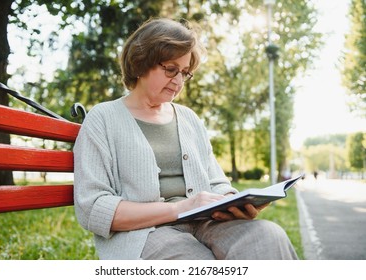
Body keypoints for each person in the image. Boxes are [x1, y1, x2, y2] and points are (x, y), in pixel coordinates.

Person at [73, 17, 298, 260]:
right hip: (143, 234)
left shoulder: (189, 119)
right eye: (171, 69)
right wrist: (180, 208)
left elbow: (216, 182)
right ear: (141, 62)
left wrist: (233, 201)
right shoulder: (103, 118)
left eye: (185, 73)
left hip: (206, 222)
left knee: (267, 238)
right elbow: (93, 208)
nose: (179, 81)